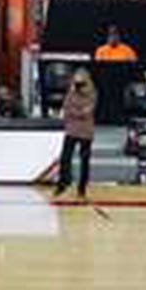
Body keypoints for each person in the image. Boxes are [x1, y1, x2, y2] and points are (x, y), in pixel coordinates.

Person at [55, 69, 96, 197]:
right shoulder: (71, 93)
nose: (78, 84)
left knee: (85, 160)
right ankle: (63, 183)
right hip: (71, 129)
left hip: (86, 131)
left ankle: (82, 188)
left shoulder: (92, 93)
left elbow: (87, 111)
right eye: (76, 81)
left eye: (80, 81)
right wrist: (78, 111)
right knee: (65, 157)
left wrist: (75, 111)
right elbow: (67, 108)